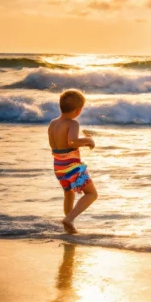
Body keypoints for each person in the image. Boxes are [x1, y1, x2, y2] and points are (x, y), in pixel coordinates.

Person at [47, 89, 98, 234]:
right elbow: (72, 142)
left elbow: (54, 145)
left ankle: (68, 225)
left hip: (58, 166)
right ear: (79, 110)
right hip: (72, 166)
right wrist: (88, 140)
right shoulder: (73, 123)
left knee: (68, 193)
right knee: (91, 194)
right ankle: (69, 219)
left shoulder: (52, 123)